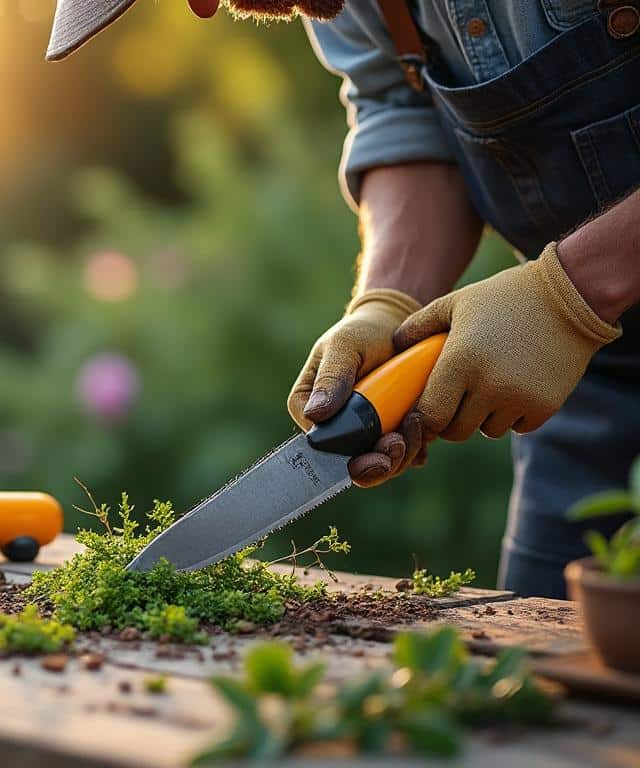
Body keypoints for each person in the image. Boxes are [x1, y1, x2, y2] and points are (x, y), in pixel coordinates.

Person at [46, 0, 640, 598]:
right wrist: (387, 303)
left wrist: (571, 293)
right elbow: (405, 110)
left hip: (571, 323)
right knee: (544, 665)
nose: (203, 9)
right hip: (587, 387)